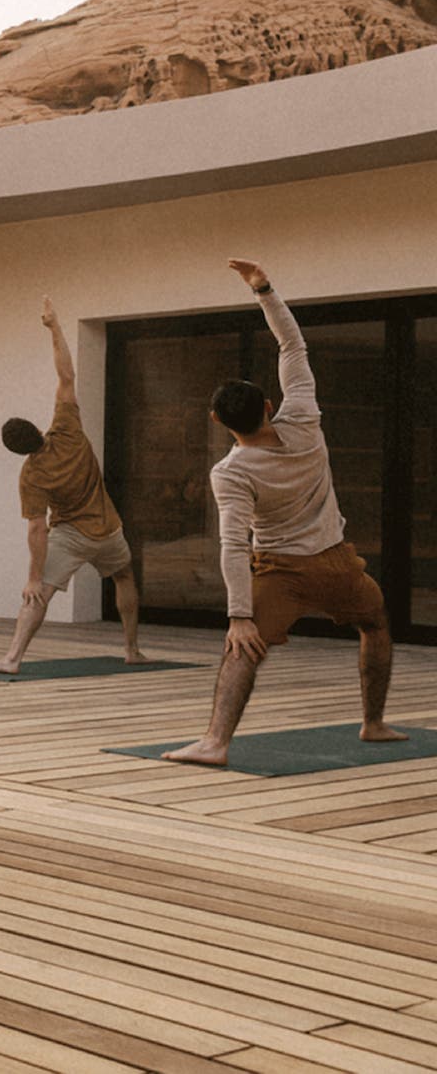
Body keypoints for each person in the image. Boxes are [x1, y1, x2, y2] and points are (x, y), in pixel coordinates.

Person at [163, 259, 402, 765]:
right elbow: (293, 346)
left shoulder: (230, 471)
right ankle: (373, 723)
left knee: (243, 648)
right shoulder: (304, 420)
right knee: (376, 623)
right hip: (338, 563)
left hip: (282, 571)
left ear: (216, 421)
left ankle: (215, 742)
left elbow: (232, 544)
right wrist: (263, 289)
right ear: (269, 405)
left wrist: (239, 617)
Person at [0, 296, 146, 673]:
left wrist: (34, 578)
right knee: (123, 576)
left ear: (18, 452)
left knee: (39, 596)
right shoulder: (67, 429)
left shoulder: (32, 476)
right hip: (109, 528)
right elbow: (66, 375)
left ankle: (12, 657)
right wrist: (54, 327)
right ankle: (132, 649)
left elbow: (37, 528)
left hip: (71, 533)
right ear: (37, 428)